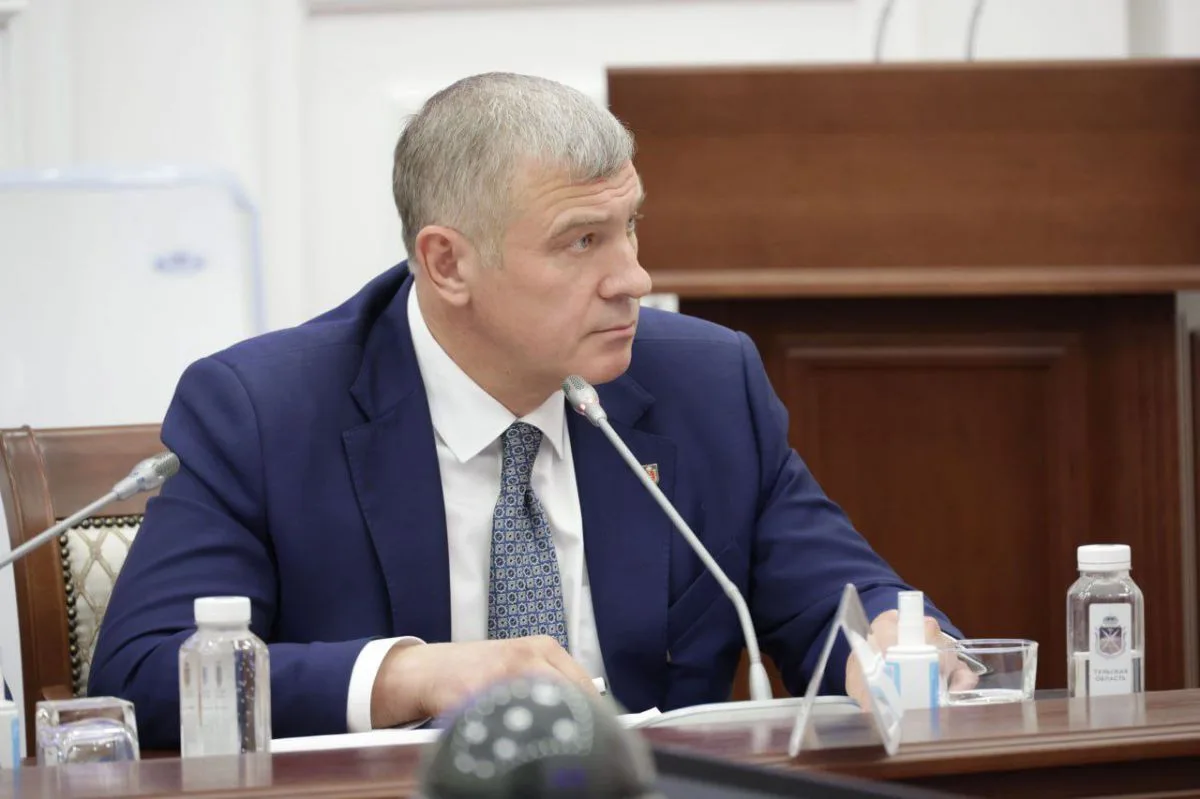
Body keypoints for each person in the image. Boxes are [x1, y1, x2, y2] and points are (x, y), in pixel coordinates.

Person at [90, 72, 962, 749]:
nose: (633, 277)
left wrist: (896, 646)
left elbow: (841, 605)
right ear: (448, 264)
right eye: (582, 240)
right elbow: (140, 673)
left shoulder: (706, 385)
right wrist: (413, 675)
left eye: (630, 226)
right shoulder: (264, 410)